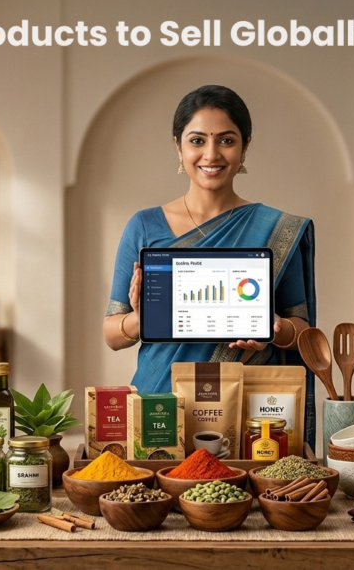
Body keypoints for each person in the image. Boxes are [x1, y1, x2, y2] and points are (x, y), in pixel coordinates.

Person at [103, 85, 317, 450]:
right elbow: (111, 334)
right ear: (179, 146)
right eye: (197, 140)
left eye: (227, 140)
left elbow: (303, 332)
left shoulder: (276, 229)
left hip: (246, 414)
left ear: (245, 146)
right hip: (162, 403)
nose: (211, 154)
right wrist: (144, 318)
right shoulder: (143, 225)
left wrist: (274, 328)